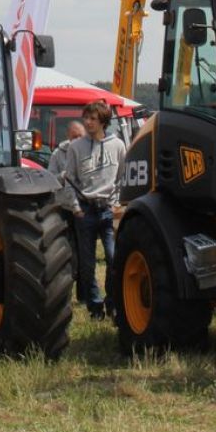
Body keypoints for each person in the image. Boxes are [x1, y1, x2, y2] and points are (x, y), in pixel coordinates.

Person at [62, 99, 125, 320]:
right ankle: (95, 307)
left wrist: (116, 202)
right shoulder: (76, 147)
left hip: (108, 209)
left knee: (113, 258)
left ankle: (112, 302)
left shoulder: (117, 145)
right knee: (87, 266)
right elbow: (68, 178)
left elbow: (121, 177)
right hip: (85, 210)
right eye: (85, 118)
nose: (88, 123)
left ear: (103, 122)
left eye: (92, 119)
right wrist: (76, 208)